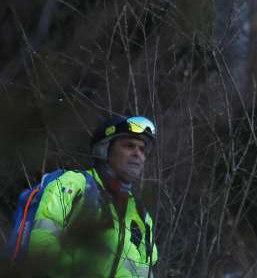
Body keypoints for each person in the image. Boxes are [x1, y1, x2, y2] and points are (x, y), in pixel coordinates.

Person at [25, 115, 158, 277]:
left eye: (142, 149)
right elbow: (40, 245)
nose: (138, 154)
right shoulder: (74, 184)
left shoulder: (140, 213)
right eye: (129, 146)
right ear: (104, 150)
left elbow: (146, 272)